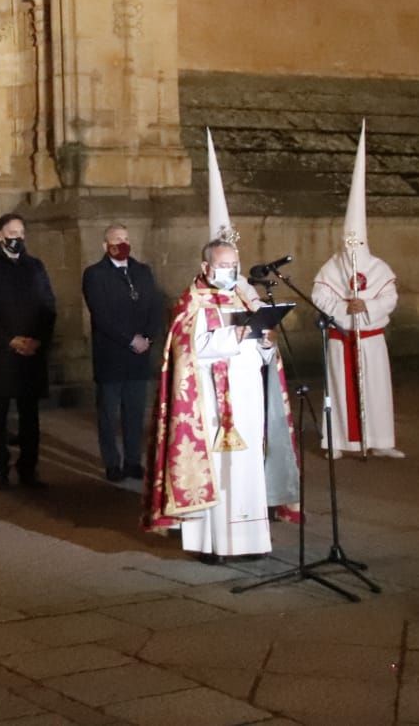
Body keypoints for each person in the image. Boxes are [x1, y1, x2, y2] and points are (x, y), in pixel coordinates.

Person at [144, 131, 299, 559]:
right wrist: (238, 334)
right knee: (219, 469)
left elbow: (264, 349)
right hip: (211, 399)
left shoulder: (244, 295)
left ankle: (250, 539)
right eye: (223, 266)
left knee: (247, 468)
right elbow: (190, 348)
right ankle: (212, 542)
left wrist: (265, 340)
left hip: (246, 393)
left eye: (234, 265)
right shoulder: (191, 300)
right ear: (206, 266)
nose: (231, 272)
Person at [312, 122, 403, 459]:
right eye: (348, 239)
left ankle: (380, 440)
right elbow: (320, 295)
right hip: (343, 338)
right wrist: (342, 308)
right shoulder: (332, 266)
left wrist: (364, 305)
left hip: (371, 337)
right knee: (340, 388)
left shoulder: (378, 267)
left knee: (376, 389)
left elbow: (389, 298)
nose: (352, 246)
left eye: (357, 239)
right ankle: (336, 442)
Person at [0, 213, 56, 489]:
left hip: (31, 352)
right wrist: (9, 340)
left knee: (30, 416)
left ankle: (29, 468)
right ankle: (0, 468)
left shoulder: (35, 266)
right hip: (1, 353)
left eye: (21, 232)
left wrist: (37, 339)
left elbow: (48, 306)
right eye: (11, 232)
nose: (16, 237)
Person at [81, 223, 163, 482]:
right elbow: (101, 314)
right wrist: (130, 339)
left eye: (126, 238)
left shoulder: (142, 271)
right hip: (111, 354)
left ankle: (132, 460)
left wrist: (148, 337)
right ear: (106, 245)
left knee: (135, 411)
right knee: (108, 412)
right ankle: (112, 463)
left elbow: (155, 306)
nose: (123, 243)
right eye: (117, 239)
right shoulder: (95, 274)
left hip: (139, 355)